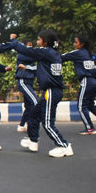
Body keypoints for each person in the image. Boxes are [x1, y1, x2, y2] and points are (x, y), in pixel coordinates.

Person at [13, 30, 74, 158]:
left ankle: (64, 145)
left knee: (47, 123)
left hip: (52, 91)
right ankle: (33, 140)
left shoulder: (45, 51)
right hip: (52, 91)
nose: (37, 42)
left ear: (45, 42)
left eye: (39, 40)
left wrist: (14, 41)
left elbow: (27, 51)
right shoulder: (52, 53)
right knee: (34, 115)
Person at [61, 36, 96, 134]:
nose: (74, 44)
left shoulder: (76, 53)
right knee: (89, 104)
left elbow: (61, 57)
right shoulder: (91, 54)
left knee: (81, 106)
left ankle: (90, 128)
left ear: (81, 44)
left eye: (75, 42)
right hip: (95, 81)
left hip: (87, 81)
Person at [14, 39, 38, 133]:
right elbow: (34, 59)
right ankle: (31, 124)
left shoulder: (30, 56)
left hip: (29, 81)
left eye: (31, 45)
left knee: (29, 105)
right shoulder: (22, 55)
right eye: (28, 46)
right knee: (35, 101)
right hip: (23, 81)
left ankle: (22, 125)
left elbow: (36, 68)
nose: (30, 48)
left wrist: (28, 67)